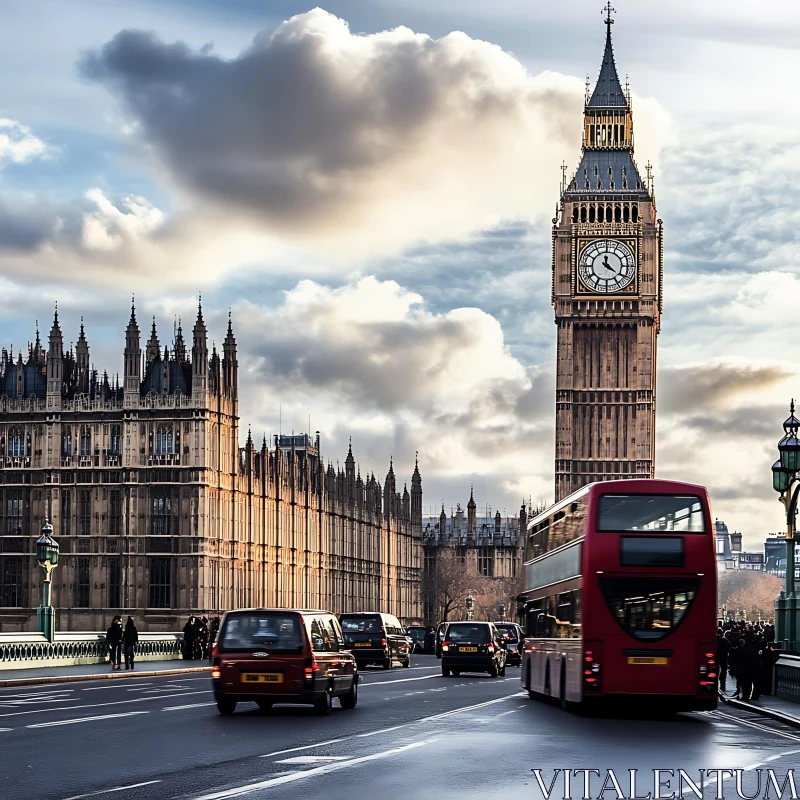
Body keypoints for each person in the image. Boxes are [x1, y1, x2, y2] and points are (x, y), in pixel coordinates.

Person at [716, 628, 730, 693]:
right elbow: (729, 648)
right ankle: (723, 686)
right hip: (724, 658)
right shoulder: (725, 640)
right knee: (723, 672)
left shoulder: (715, 640)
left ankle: (716, 685)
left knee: (716, 672)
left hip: (716, 657)